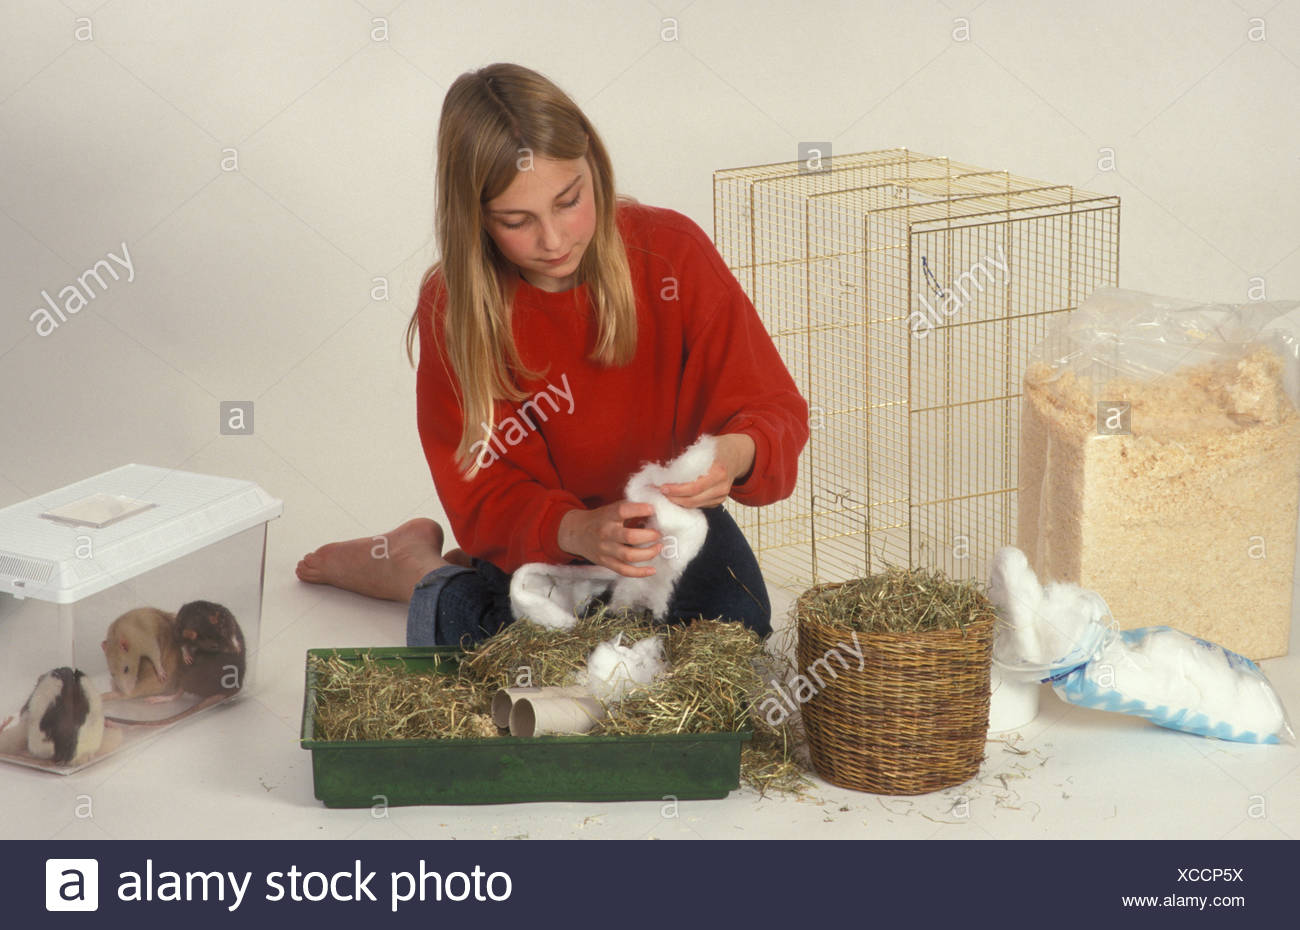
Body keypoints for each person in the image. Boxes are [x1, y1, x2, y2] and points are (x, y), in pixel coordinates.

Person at [297, 62, 809, 647]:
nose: (554, 240)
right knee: (523, 651)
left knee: (736, 636)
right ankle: (414, 570)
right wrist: (580, 530)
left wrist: (734, 454)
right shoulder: (455, 307)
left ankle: (454, 578)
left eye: (569, 201)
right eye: (517, 221)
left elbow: (772, 406)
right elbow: (483, 493)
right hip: (548, 541)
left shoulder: (672, 254)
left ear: (593, 164)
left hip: (660, 533)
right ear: (476, 220)